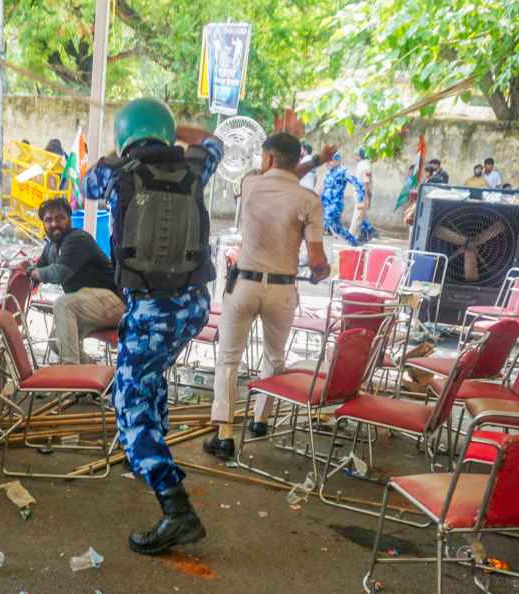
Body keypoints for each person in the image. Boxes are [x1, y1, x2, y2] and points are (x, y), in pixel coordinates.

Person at [83, 97, 221, 556]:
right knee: (149, 376)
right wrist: (176, 129)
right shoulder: (196, 166)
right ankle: (145, 452)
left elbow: (86, 181)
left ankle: (174, 506)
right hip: (194, 305)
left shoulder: (115, 173)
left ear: (125, 137)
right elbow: (213, 140)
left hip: (151, 309)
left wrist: (122, 145)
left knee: (129, 401)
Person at [205, 133, 331, 456]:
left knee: (228, 359)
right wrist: (320, 272)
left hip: (244, 284)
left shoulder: (250, 184)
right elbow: (318, 262)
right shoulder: (309, 200)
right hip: (282, 289)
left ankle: (225, 434)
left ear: (268, 159)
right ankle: (260, 419)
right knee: (274, 357)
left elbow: (280, 177)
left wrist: (312, 162)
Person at [23, 197, 124, 364]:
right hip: (90, 306)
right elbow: (37, 269)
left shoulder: (78, 239)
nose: (54, 223)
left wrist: (32, 272)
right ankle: (95, 374)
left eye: (59, 218)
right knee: (57, 341)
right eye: (48, 220)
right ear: (43, 224)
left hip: (114, 303)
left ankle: (71, 373)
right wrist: (24, 269)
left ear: (69, 218)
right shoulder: (51, 247)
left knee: (63, 303)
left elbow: (56, 274)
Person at [320, 153, 361, 246]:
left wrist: (361, 195)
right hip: (326, 205)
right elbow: (324, 188)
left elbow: (356, 182)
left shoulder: (343, 171)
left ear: (337, 161)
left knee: (321, 225)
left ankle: (311, 252)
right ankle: (354, 242)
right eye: (327, 161)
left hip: (335, 204)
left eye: (330, 161)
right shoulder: (328, 172)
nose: (327, 163)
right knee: (338, 228)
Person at [349, 147, 377, 242]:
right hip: (361, 193)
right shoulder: (364, 164)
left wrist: (367, 196)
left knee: (358, 215)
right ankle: (367, 232)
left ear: (360, 155)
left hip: (362, 193)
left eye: (356, 155)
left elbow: (366, 181)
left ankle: (351, 235)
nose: (355, 157)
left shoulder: (364, 165)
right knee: (361, 215)